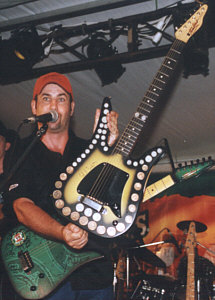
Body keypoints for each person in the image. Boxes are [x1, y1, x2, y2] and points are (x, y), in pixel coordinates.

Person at [2, 72, 119, 300]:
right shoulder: (20, 151)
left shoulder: (89, 151)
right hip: (46, 277)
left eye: (61, 99)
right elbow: (22, 207)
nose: (53, 104)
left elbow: (111, 204)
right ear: (34, 107)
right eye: (46, 98)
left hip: (95, 274)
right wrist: (62, 232)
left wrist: (107, 151)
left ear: (72, 108)